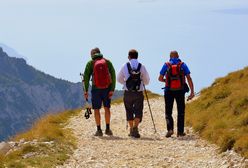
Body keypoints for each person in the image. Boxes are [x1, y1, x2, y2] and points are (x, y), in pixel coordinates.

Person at [158, 50, 194, 138]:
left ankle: (170, 129)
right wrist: (192, 91)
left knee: (168, 112)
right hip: (180, 91)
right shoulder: (183, 65)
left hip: (168, 90)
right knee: (181, 111)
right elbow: (189, 78)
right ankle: (180, 132)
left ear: (170, 56)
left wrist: (167, 81)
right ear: (178, 56)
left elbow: (160, 78)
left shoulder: (166, 65)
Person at [117, 49, 150, 138]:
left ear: (129, 56)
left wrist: (125, 83)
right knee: (138, 110)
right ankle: (136, 127)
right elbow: (147, 81)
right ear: (137, 56)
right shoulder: (141, 66)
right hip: (138, 93)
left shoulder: (125, 66)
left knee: (129, 110)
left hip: (128, 92)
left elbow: (119, 78)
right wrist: (142, 82)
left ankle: (131, 129)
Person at [83, 47, 116, 136]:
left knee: (96, 109)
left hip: (95, 89)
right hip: (107, 88)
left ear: (92, 54)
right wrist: (112, 89)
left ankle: (99, 130)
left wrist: (85, 90)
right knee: (107, 108)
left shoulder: (90, 63)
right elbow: (113, 75)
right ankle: (108, 129)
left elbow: (86, 78)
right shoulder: (107, 62)